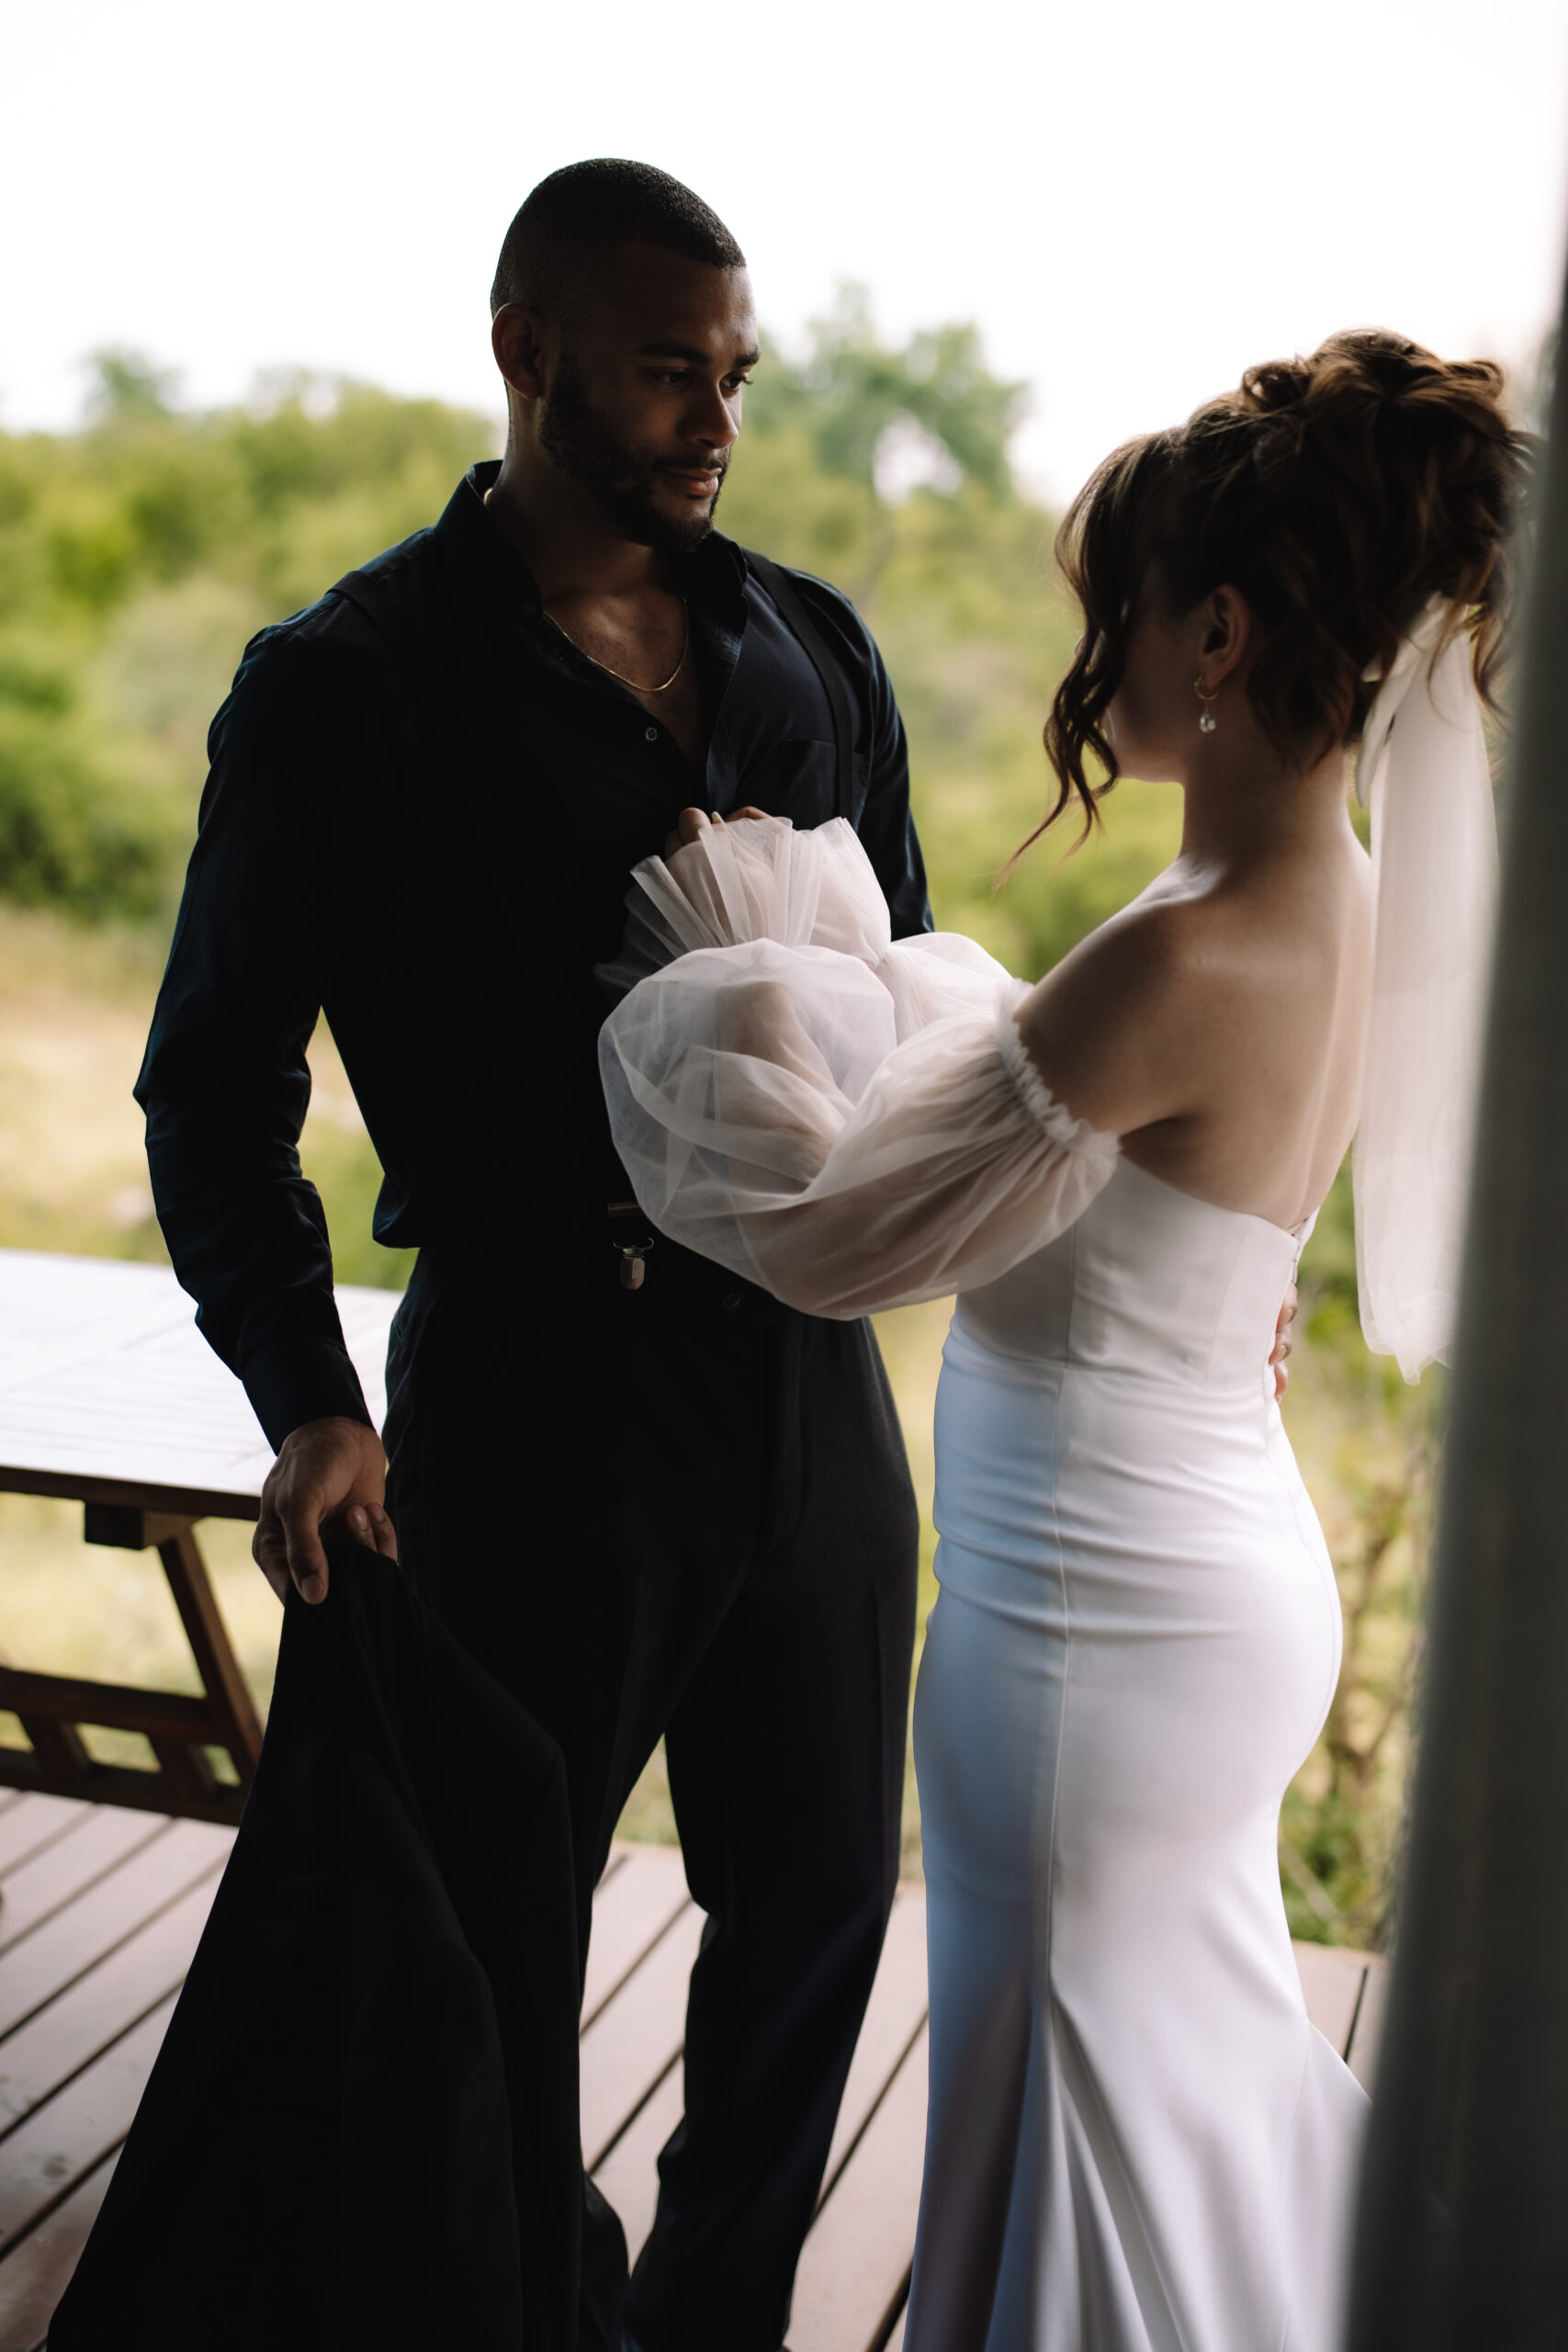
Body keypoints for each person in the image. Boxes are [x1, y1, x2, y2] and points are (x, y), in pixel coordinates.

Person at [598, 331, 1528, 2349]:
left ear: (1216, 624)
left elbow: (840, 1223)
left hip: (1083, 1635)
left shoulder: (1175, 950)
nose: (1085, 656)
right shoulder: (1340, 898)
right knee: (1167, 2088)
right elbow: (1119, 1178)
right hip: (1203, 1574)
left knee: (1065, 2124)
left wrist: (735, 977)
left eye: (1109, 603)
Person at [136, 160, 931, 2352]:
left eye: (732, 373)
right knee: (486, 1938)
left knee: (816, 1922)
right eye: (670, 367)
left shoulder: (813, 649)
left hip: (806, 1382)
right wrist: (306, 1390)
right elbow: (211, 1084)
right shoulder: (342, 686)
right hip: (529, 1393)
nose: (713, 416)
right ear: (527, 349)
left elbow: (906, 996)